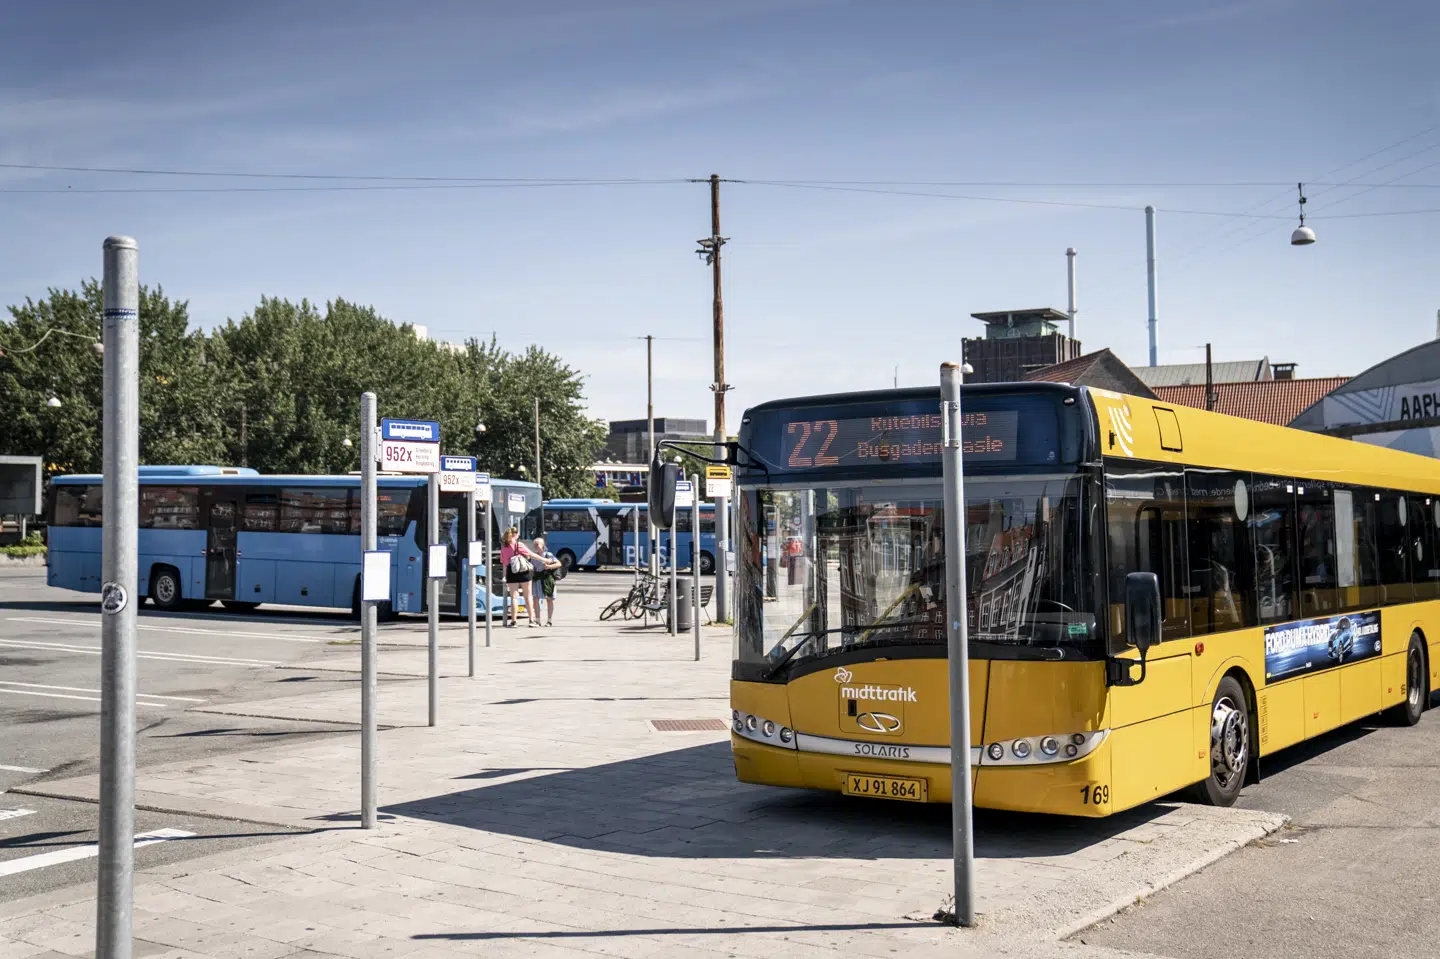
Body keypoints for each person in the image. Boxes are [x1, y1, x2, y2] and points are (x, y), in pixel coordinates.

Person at [499, 527, 541, 627]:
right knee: (528, 597)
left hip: (511, 572)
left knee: (514, 597)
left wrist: (505, 577)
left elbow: (504, 564)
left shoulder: (504, 548)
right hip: (524, 572)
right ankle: (531, 620)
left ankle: (513, 621)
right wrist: (544, 560)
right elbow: (531, 554)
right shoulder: (519, 545)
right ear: (515, 535)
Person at [529, 536, 563, 626]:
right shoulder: (533, 556)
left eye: (538, 544)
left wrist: (549, 566)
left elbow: (559, 564)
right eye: (535, 544)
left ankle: (549, 620)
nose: (536, 546)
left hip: (547, 580)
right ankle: (538, 620)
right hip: (537, 580)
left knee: (549, 599)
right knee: (535, 599)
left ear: (543, 545)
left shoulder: (549, 555)